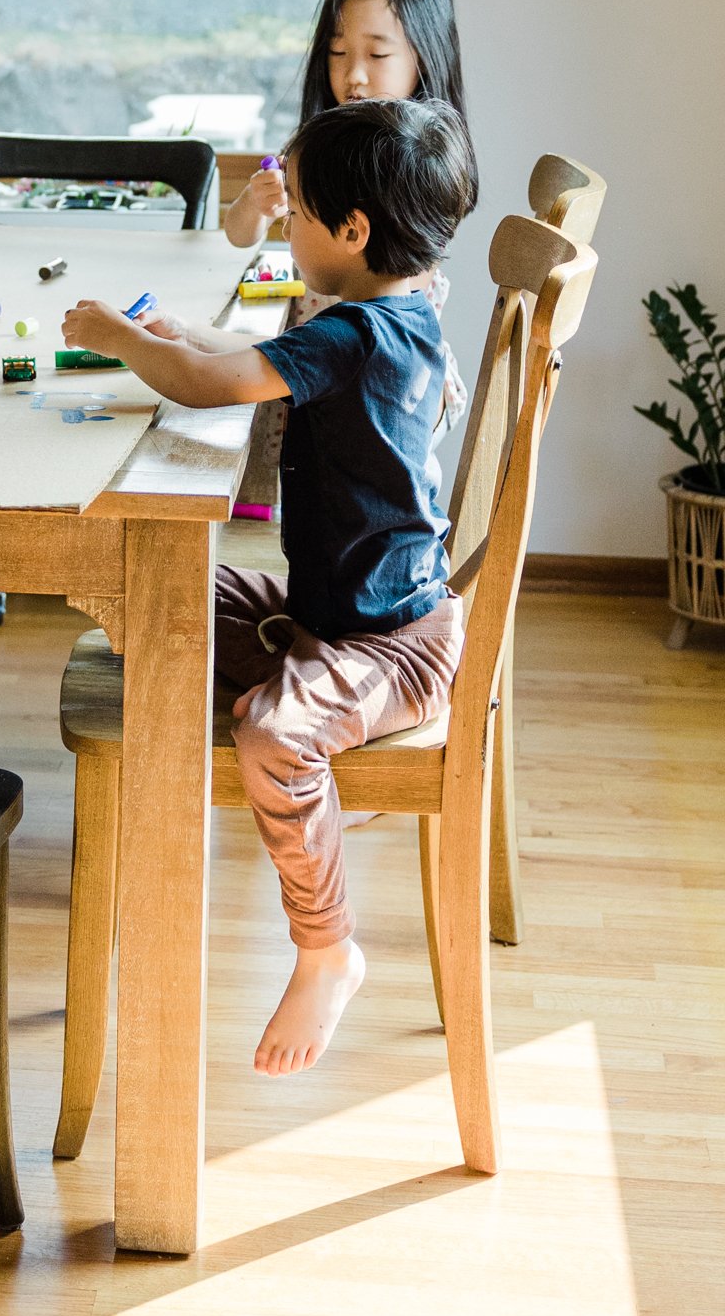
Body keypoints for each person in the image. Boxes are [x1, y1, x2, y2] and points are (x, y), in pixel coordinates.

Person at [61, 97, 477, 1080]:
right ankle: (214, 718)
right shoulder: (404, 309)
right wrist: (180, 335)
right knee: (156, 593)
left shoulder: (351, 337)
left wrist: (124, 340)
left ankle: (327, 947)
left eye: (294, 215)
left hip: (392, 649)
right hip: (338, 617)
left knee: (273, 734)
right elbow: (238, 365)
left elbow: (209, 387)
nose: (284, 229)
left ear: (350, 232)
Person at [226, 0, 475, 504]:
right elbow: (239, 236)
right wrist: (255, 203)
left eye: (377, 54)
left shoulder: (418, 164)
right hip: (323, 353)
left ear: (423, 59)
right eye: (338, 54)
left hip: (378, 377)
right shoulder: (318, 149)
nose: (353, 73)